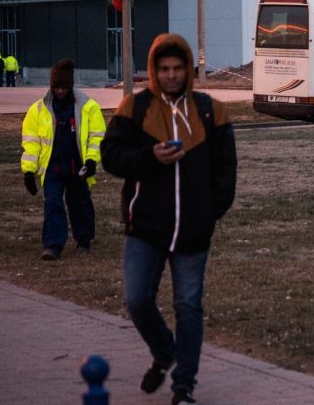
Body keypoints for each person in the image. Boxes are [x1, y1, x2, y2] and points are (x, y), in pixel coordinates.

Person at [101, 33, 237, 405]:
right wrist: (148, 158)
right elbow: (110, 156)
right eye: (164, 69)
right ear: (154, 71)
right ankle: (164, 353)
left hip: (193, 231)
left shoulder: (212, 111)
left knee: (188, 307)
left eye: (178, 68)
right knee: (137, 299)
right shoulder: (135, 107)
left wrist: (209, 214)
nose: (172, 75)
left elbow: (226, 171)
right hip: (144, 227)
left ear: (188, 70)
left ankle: (183, 387)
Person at [20, 59, 105, 261]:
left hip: (78, 167)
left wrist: (92, 161)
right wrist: (29, 171)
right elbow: (31, 143)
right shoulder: (37, 110)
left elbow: (97, 137)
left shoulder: (89, 108)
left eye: (63, 87)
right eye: (56, 87)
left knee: (80, 204)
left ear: (71, 86)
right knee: (53, 204)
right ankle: (52, 245)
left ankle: (83, 240)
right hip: (53, 168)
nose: (59, 91)